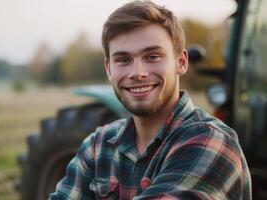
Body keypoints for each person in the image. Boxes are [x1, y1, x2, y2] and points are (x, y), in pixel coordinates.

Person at [50, 1, 252, 199]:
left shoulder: (210, 141)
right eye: (123, 60)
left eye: (152, 56)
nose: (138, 73)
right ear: (109, 68)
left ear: (181, 62)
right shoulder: (98, 146)